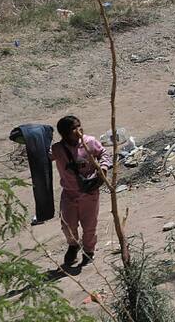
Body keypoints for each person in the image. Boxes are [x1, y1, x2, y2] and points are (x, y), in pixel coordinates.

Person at [50, 114, 111, 270]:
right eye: (73, 129)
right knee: (67, 225)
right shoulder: (58, 149)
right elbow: (44, 157)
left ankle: (89, 251)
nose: (78, 130)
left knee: (89, 225)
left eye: (79, 126)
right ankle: (73, 245)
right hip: (69, 194)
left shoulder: (90, 142)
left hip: (89, 193)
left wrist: (103, 167)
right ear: (64, 134)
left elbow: (104, 153)